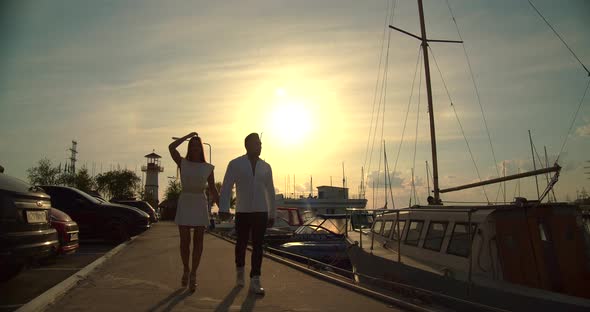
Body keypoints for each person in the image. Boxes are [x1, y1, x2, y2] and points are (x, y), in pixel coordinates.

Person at [219, 133, 276, 295]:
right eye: (257, 143)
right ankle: (239, 273)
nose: (260, 146)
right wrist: (224, 208)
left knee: (258, 246)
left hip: (261, 211)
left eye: (260, 143)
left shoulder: (266, 167)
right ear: (247, 145)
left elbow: (270, 191)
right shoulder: (235, 164)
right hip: (242, 211)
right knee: (241, 244)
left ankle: (255, 280)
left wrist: (272, 213)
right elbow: (227, 187)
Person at [169, 132, 219, 292]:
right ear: (190, 147)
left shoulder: (208, 168)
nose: (196, 147)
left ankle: (194, 274)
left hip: (199, 202)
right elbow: (171, 147)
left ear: (201, 148)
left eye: (198, 145)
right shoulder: (182, 162)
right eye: (193, 145)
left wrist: (223, 208)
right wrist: (188, 136)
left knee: (198, 242)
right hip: (185, 201)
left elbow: (213, 189)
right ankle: (185, 269)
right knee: (185, 242)